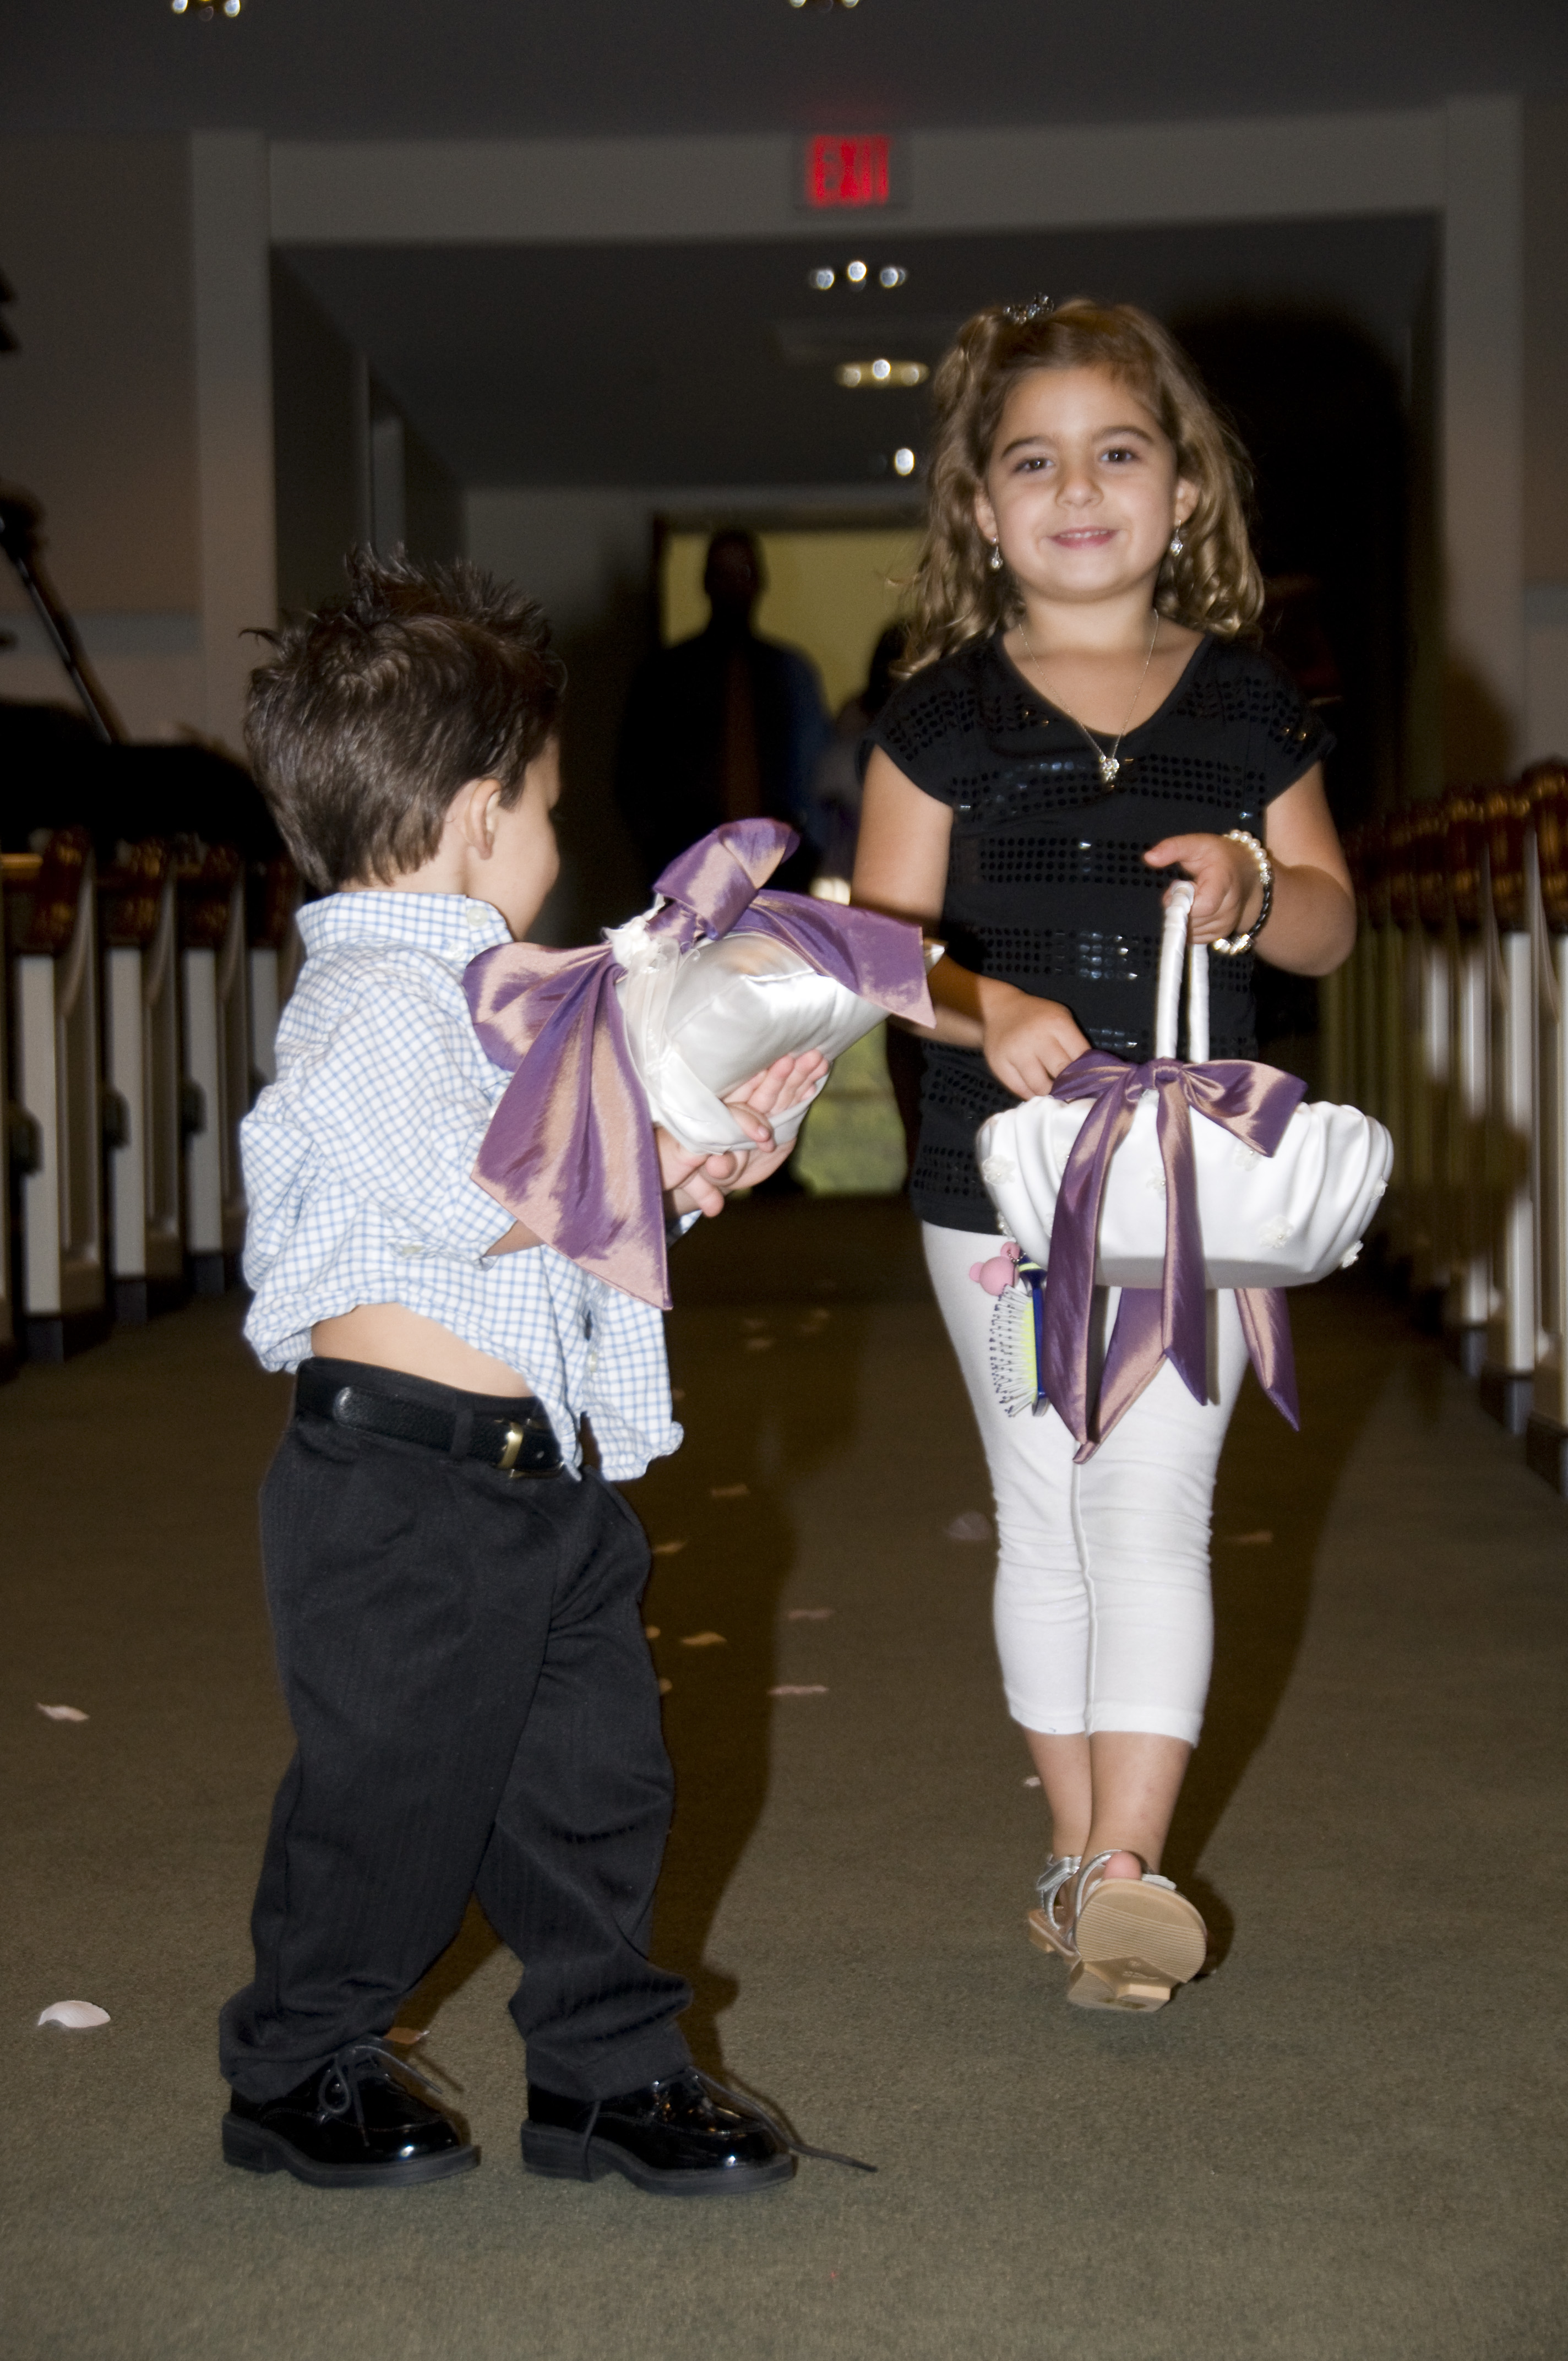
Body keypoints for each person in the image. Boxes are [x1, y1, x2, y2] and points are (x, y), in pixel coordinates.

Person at [220, 548, 829, 2193]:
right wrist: (652, 1144)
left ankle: (604, 2069)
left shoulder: (516, 1004)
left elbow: (562, 1226)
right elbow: (476, 1189)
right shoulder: (371, 999)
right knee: (392, 1798)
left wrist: (699, 1157)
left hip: (536, 1480)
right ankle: (295, 2061)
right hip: (398, 1490)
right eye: (550, 806)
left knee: (593, 1787)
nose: (559, 838)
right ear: (481, 816)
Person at [852, 300, 1354, 2012]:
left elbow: (1332, 923)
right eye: (1034, 461)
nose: (1078, 489)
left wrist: (1258, 884)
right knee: (1048, 1502)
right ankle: (1080, 1862)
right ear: (981, 510)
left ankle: (1128, 1865)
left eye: (1117, 452)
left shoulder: (1250, 706)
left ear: (1184, 489)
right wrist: (983, 1002)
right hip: (992, 1186)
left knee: (1152, 1499)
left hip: (1193, 1182)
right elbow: (876, 954)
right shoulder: (937, 720)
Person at [616, 530, 830, 896]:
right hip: (689, 864)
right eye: (721, 574)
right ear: (705, 582)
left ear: (759, 581)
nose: (732, 586)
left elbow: (818, 772)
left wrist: (808, 852)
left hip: (778, 867)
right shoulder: (666, 675)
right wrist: (659, 848)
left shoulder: (792, 672)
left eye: (742, 573)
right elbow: (633, 772)